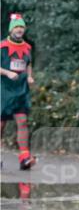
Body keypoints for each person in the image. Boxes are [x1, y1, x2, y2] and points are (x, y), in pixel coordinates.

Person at [1, 13, 37, 170]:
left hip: (20, 90)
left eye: (21, 27)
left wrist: (29, 77)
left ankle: (24, 158)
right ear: (11, 30)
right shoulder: (2, 46)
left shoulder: (28, 47)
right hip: (3, 91)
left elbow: (28, 64)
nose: (19, 29)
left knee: (22, 121)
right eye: (16, 27)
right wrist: (7, 73)